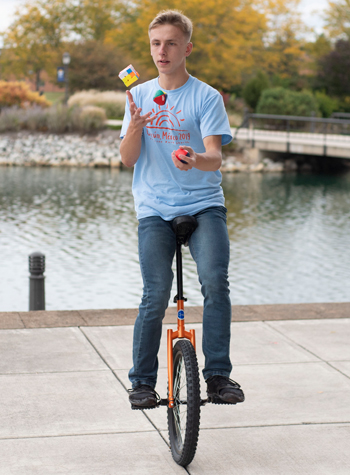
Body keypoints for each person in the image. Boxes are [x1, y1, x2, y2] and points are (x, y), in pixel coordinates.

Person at [120, 9, 245, 408]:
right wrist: (136, 129)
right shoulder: (137, 96)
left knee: (215, 282)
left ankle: (218, 377)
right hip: (155, 208)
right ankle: (141, 382)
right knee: (155, 294)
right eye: (156, 43)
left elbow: (214, 157)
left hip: (204, 204)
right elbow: (127, 159)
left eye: (171, 43)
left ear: (187, 47)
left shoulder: (206, 97)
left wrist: (193, 157)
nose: (162, 50)